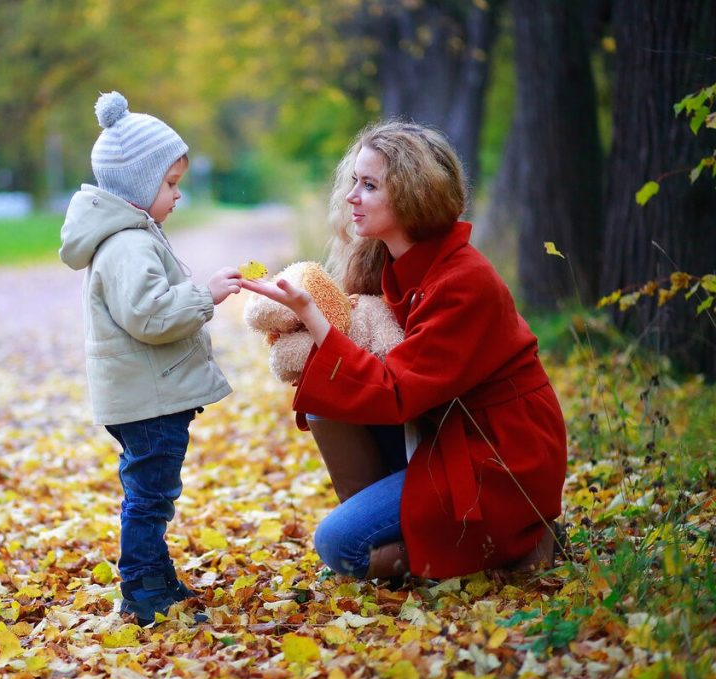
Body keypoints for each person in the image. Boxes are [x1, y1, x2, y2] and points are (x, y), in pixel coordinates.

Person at [241, 120, 567, 581]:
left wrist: (313, 315)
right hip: (443, 428)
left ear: (415, 194)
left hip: (499, 454)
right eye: (354, 181)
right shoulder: (393, 263)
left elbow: (395, 391)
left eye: (369, 185)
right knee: (325, 398)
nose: (352, 195)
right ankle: (416, 527)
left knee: (339, 546)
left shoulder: (464, 280)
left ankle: (520, 541)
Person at [59, 91, 242, 623]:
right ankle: (142, 590)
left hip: (145, 396)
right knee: (149, 498)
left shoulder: (130, 235)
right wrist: (206, 294)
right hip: (149, 402)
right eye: (169, 184)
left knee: (152, 493)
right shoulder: (128, 245)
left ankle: (154, 576)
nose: (176, 195)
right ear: (138, 186)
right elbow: (150, 316)